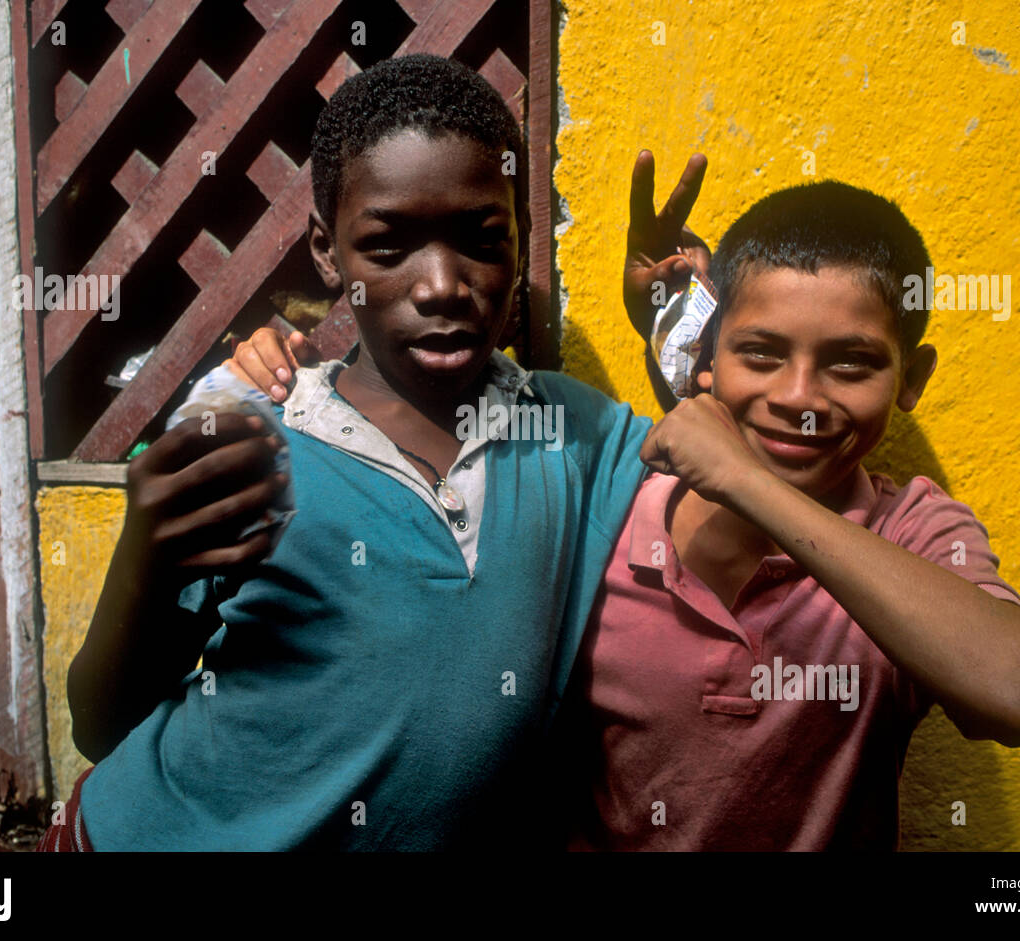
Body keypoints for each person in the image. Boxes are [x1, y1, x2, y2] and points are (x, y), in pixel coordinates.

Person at [230, 158, 1020, 850]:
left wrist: (753, 482)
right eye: (762, 354)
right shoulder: (612, 504)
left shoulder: (912, 531)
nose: (801, 398)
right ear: (707, 360)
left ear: (911, 379)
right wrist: (303, 375)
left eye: (852, 365)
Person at [42, 54, 649, 851]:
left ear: (523, 243)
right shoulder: (261, 447)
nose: (440, 284)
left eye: (481, 239)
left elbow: (723, 466)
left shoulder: (574, 432)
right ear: (328, 253)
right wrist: (146, 562)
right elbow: (102, 723)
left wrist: (679, 333)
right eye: (389, 245)